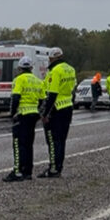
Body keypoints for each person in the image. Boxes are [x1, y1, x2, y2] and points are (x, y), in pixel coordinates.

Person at [2, 56, 43, 182]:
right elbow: (42, 100)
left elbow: (15, 98)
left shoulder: (18, 80)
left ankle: (17, 171)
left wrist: (12, 113)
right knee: (29, 144)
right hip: (33, 114)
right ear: (31, 68)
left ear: (19, 68)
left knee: (18, 144)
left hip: (21, 114)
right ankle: (28, 171)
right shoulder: (37, 81)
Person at [38, 47, 77, 178]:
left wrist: (44, 114)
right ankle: (58, 167)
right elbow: (73, 88)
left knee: (53, 141)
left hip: (56, 109)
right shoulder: (71, 69)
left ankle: (53, 169)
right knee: (62, 140)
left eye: (50, 59)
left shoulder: (55, 71)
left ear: (52, 58)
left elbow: (52, 94)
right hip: (68, 107)